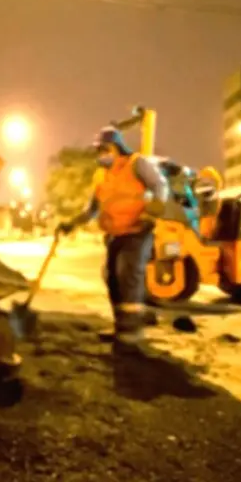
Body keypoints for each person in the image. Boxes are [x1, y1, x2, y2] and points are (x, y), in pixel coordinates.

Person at [57, 127, 168, 348]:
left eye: (105, 149)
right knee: (111, 278)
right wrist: (72, 223)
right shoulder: (101, 176)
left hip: (137, 231)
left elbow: (159, 185)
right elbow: (93, 209)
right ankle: (121, 326)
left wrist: (152, 213)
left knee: (127, 274)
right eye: (99, 150)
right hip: (115, 234)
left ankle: (133, 332)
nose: (102, 154)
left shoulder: (136, 164)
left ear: (117, 147)